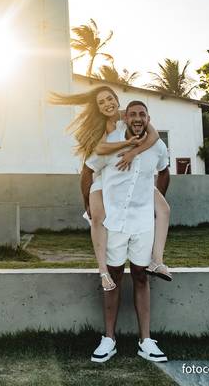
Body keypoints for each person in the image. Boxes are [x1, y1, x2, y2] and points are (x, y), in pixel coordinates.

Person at [50, 86, 171, 290]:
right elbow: (100, 150)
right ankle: (104, 272)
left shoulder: (129, 115)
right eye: (101, 102)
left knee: (164, 209)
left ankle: (157, 260)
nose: (107, 104)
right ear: (97, 108)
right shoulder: (106, 125)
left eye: (109, 99)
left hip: (134, 178)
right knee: (97, 216)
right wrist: (126, 146)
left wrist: (134, 152)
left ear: (117, 99)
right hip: (105, 177)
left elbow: (154, 137)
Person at [83, 100, 170, 363]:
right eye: (132, 114)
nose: (137, 118)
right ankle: (109, 339)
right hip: (114, 223)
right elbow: (87, 170)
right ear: (125, 117)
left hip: (143, 223)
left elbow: (164, 171)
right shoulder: (110, 142)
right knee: (115, 276)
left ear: (148, 118)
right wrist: (89, 205)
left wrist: (155, 201)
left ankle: (146, 341)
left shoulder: (157, 146)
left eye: (142, 114)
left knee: (142, 276)